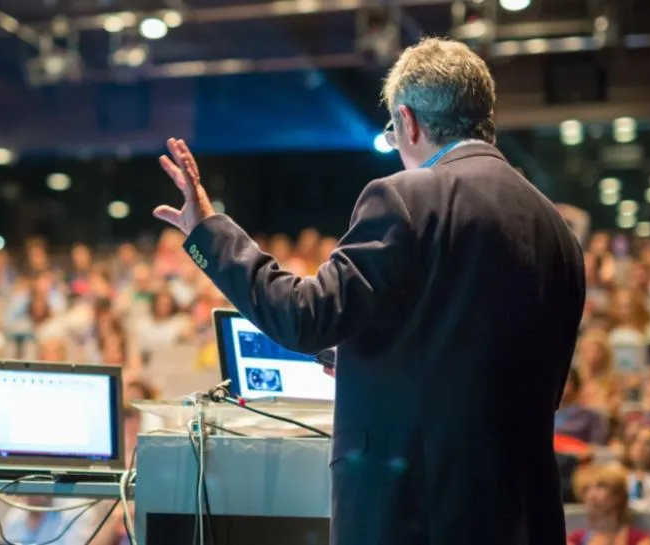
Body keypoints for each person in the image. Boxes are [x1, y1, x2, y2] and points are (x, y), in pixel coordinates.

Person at [152, 37, 585, 545]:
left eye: (392, 131)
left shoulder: (407, 196)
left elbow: (303, 317)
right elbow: (496, 369)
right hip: (523, 515)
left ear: (408, 122)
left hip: (415, 514)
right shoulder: (555, 228)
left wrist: (207, 231)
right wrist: (372, 360)